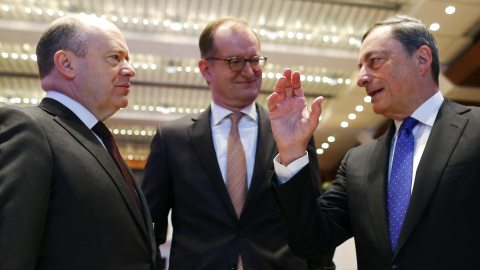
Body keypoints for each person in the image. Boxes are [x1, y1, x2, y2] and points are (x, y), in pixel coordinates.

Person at [267, 14, 480, 270]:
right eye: (360, 67)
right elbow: (312, 242)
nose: (361, 78)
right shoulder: (358, 162)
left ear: (422, 59)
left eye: (374, 62)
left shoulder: (475, 129)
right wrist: (291, 150)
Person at [142, 17, 335, 270]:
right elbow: (148, 229)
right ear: (206, 69)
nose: (249, 71)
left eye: (254, 60)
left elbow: (312, 220)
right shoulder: (172, 139)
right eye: (235, 62)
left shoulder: (291, 133)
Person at [0, 15, 160, 269]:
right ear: (66, 63)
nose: (130, 69)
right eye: (114, 58)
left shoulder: (100, 142)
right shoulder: (30, 129)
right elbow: (10, 251)